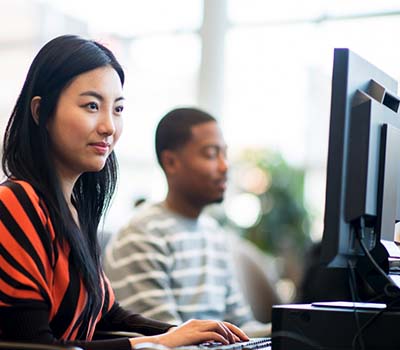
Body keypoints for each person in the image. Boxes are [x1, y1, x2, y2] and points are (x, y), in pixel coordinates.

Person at [0, 35, 249, 350]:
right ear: (41, 113)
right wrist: (158, 341)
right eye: (92, 106)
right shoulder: (16, 204)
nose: (108, 126)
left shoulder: (75, 208)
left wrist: (186, 332)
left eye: (117, 109)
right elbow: (33, 346)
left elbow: (106, 314)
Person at [103, 108, 271, 336]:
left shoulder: (214, 234)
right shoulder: (142, 234)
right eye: (211, 154)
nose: (224, 166)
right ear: (171, 162)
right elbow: (167, 339)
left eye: (225, 154)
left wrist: (290, 332)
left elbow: (240, 327)